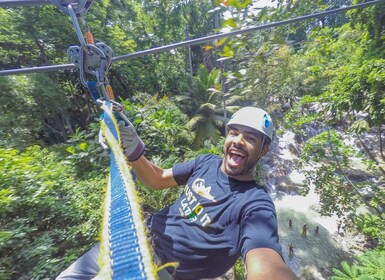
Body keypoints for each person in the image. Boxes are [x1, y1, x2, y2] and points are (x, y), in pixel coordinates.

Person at [56, 106, 298, 279]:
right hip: (131, 239)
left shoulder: (256, 203)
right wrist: (132, 150)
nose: (238, 141)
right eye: (234, 132)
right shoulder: (206, 163)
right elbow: (157, 179)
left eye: (251, 137)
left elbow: (264, 262)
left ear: (263, 150)